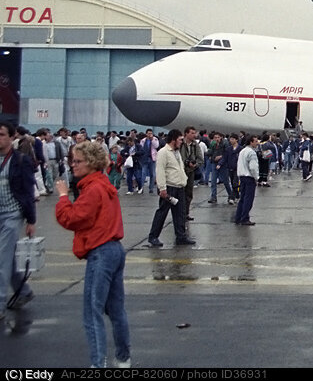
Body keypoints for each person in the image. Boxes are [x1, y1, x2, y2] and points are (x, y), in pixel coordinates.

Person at [54, 141, 131, 368]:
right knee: (116, 310)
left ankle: (98, 364)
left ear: (91, 162)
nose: (73, 165)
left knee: (92, 312)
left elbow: (72, 218)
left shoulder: (93, 189)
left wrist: (63, 197)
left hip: (101, 252)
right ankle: (123, 358)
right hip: (114, 249)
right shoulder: (103, 184)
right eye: (73, 161)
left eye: (77, 161)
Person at [0, 121, 37, 319]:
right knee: (7, 257)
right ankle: (23, 291)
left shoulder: (20, 161)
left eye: (2, 135)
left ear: (12, 137)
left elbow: (28, 192)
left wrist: (31, 220)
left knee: (2, 258)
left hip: (12, 214)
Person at [146, 129, 196, 248]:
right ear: (173, 139)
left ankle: (181, 236)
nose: (181, 142)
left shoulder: (176, 152)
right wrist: (162, 188)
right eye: (180, 140)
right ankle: (153, 236)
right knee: (162, 212)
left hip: (179, 187)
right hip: (169, 187)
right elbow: (160, 171)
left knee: (180, 213)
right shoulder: (163, 152)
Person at [234, 136, 260, 225]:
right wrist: (256, 177)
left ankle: (238, 217)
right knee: (248, 199)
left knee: (242, 198)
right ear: (251, 142)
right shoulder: (251, 153)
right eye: (255, 141)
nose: (257, 143)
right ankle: (245, 218)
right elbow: (253, 167)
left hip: (242, 176)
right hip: (249, 177)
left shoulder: (242, 151)